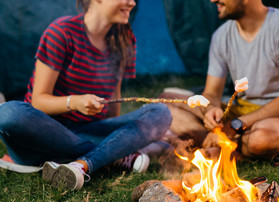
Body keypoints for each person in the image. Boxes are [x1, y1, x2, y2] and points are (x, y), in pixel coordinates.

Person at [0, 0, 172, 190]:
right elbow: (39, 101)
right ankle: (113, 155)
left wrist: (117, 133)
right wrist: (74, 102)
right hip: (43, 135)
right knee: (8, 113)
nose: (132, 3)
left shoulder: (124, 38)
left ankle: (80, 165)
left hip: (88, 130)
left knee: (160, 112)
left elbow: (112, 105)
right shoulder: (62, 32)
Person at [160, 0, 279, 161]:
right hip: (241, 111)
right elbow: (212, 92)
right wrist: (211, 110)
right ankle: (227, 144)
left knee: (260, 139)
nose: (213, 0)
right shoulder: (221, 36)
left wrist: (236, 125)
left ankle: (221, 146)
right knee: (164, 103)